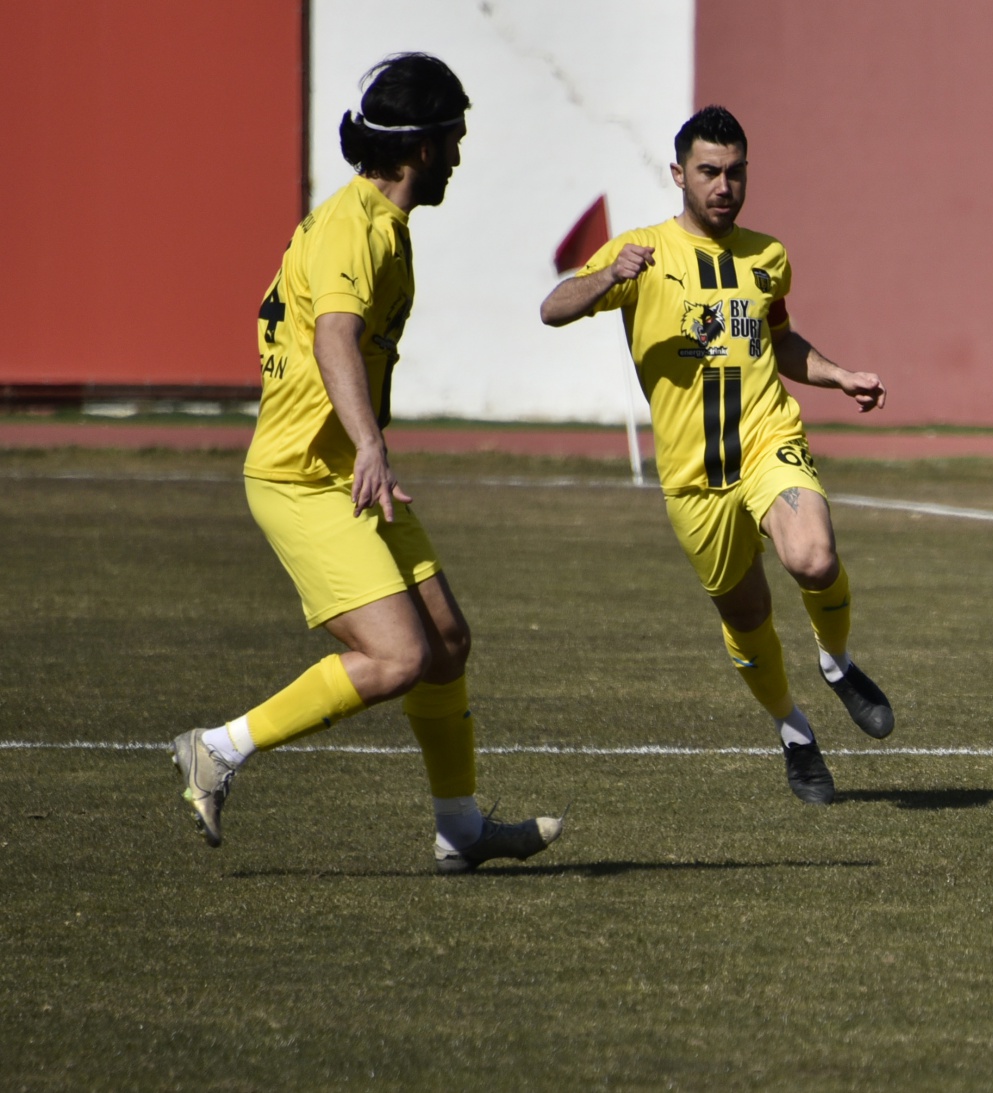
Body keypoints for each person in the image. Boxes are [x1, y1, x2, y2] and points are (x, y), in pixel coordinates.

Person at [170, 53, 561, 873]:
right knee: (398, 657)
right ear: (420, 145)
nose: (460, 152)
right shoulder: (358, 230)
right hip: (304, 478)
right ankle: (216, 748)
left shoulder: (376, 222)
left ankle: (459, 830)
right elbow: (335, 334)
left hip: (345, 467)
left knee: (447, 639)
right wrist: (374, 447)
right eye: (454, 135)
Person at [539, 105, 893, 805]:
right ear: (679, 174)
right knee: (748, 619)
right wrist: (609, 275)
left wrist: (838, 372)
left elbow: (781, 341)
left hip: (767, 442)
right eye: (709, 172)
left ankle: (837, 659)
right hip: (695, 480)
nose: (724, 186)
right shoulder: (639, 254)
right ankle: (794, 731)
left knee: (814, 558)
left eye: (736, 173)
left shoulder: (768, 256)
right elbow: (554, 307)